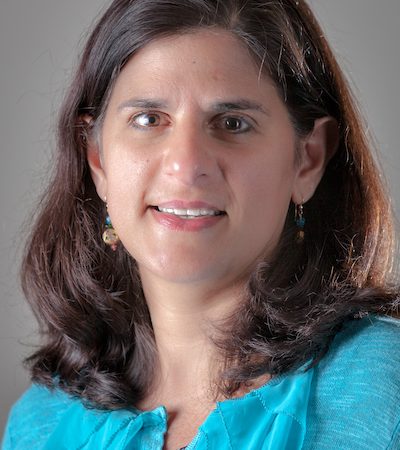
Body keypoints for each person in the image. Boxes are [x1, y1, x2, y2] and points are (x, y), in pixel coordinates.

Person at [2, 0, 400, 449]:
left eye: (233, 123)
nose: (186, 165)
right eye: (148, 119)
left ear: (307, 160)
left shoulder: (387, 396)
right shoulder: (39, 425)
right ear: (98, 160)